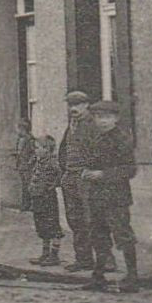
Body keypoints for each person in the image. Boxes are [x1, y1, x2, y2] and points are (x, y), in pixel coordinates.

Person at [80, 101, 139, 294]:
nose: (102, 121)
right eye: (98, 117)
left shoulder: (122, 139)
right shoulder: (96, 138)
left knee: (123, 235)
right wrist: (86, 172)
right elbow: (91, 161)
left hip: (116, 197)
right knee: (98, 235)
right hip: (97, 196)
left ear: (116, 118)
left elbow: (130, 169)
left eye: (106, 117)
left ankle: (132, 277)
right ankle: (99, 277)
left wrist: (103, 175)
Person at [57, 91, 100, 273]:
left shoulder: (93, 125)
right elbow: (64, 149)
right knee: (75, 220)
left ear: (86, 105)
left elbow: (100, 151)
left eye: (77, 104)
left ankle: (106, 261)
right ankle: (83, 259)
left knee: (93, 219)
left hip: (85, 177)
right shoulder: (72, 125)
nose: (73, 108)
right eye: (70, 104)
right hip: (70, 176)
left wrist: (91, 170)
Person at [26, 131, 64, 267]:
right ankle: (45, 253)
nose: (35, 150)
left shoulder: (52, 162)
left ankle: (54, 255)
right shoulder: (39, 162)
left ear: (47, 150)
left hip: (47, 198)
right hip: (38, 198)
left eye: (38, 148)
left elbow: (60, 175)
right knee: (42, 226)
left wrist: (51, 186)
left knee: (52, 226)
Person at [11, 120, 38, 212]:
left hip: (28, 167)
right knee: (24, 186)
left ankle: (30, 205)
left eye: (19, 129)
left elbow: (35, 153)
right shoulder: (20, 140)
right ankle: (25, 205)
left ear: (23, 129)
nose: (17, 131)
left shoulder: (30, 139)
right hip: (21, 165)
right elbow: (20, 152)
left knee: (29, 186)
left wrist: (30, 162)